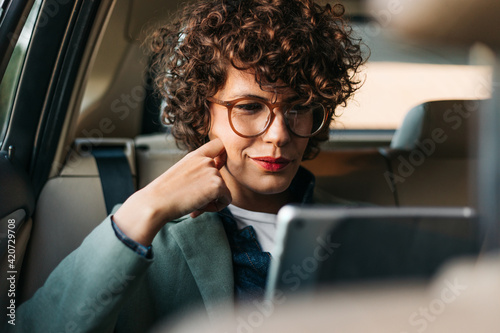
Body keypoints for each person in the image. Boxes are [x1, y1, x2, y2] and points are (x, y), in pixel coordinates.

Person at [12, 0, 364, 331]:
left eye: (298, 107)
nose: (278, 135)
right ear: (202, 111)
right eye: (249, 107)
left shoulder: (364, 227)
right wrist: (145, 208)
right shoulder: (144, 234)